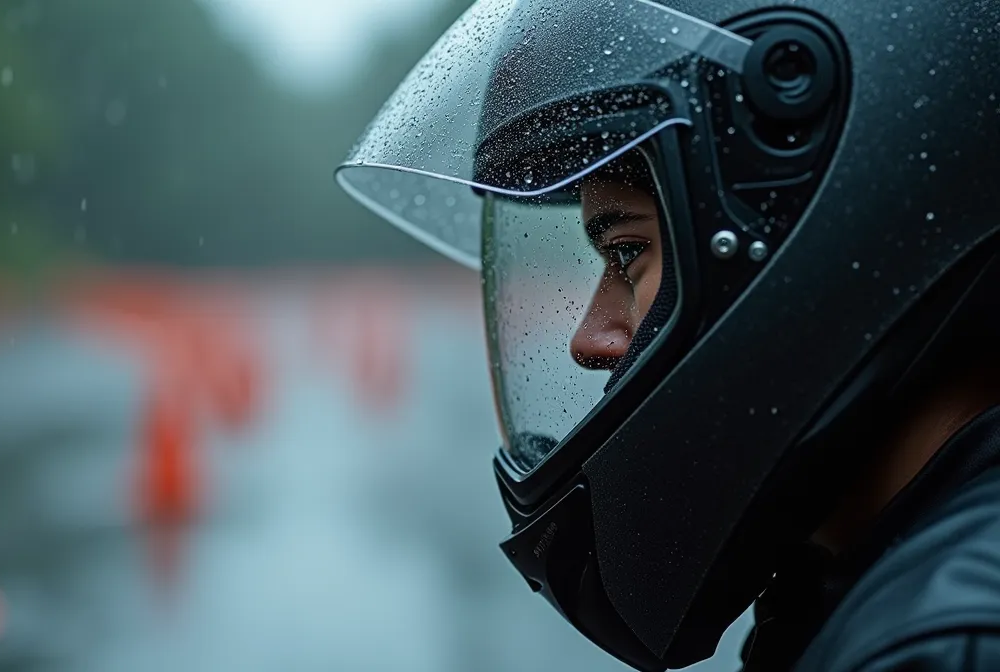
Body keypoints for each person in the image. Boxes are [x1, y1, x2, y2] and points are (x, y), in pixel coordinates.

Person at [334, 1, 1000, 670]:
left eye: (628, 254)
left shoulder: (946, 645)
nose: (589, 338)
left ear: (835, 224)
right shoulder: (886, 590)